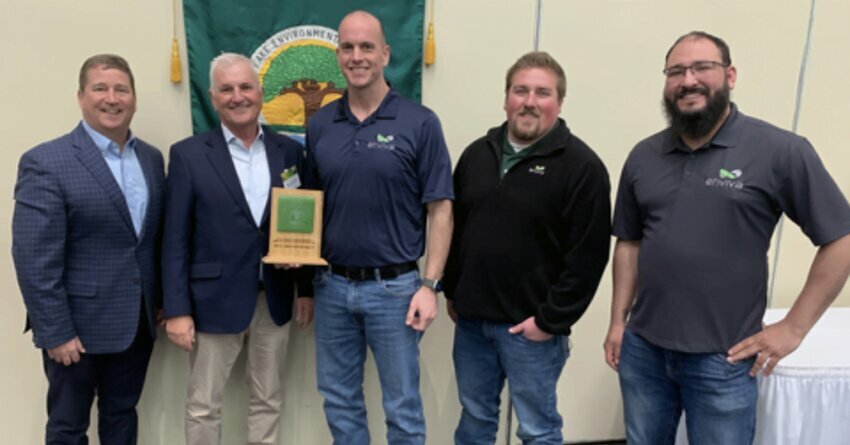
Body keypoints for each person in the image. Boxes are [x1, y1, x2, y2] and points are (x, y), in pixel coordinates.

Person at [604, 31, 850, 445]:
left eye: (703, 67)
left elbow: (841, 238)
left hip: (724, 360)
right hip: (643, 352)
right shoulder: (644, 155)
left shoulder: (779, 150)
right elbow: (628, 243)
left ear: (730, 75)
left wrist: (794, 328)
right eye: (676, 71)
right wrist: (616, 322)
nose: (689, 80)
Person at [443, 51, 611, 445]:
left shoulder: (582, 167)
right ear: (506, 98)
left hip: (531, 331)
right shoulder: (476, 155)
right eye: (520, 90)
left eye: (542, 92)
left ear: (559, 102)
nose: (530, 101)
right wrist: (454, 291)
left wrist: (549, 321)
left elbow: (588, 257)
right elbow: (455, 228)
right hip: (471, 325)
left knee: (537, 429)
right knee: (475, 420)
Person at [304, 10, 454, 445]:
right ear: (338, 56)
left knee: (402, 405)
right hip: (331, 287)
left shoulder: (420, 122)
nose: (357, 56)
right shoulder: (319, 125)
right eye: (348, 47)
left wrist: (430, 284)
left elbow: (440, 209)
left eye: (367, 46)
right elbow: (309, 207)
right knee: (338, 399)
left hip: (396, 289)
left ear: (385, 54)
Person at [161, 52, 313, 445]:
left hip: (275, 298)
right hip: (212, 299)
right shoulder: (188, 155)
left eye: (245, 87)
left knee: (268, 399)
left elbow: (303, 224)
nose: (237, 96)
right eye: (226, 89)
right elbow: (175, 238)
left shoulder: (289, 152)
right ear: (212, 97)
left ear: (261, 93)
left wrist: (306, 289)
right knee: (203, 405)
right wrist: (177, 310)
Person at [12, 54, 164, 444]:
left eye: (121, 89)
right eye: (100, 88)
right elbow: (33, 257)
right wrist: (55, 331)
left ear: (133, 98)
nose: (111, 98)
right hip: (75, 330)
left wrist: (160, 301)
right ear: (81, 96)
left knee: (122, 417)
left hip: (135, 325)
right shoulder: (47, 161)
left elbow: (149, 241)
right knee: (67, 427)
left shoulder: (150, 158)